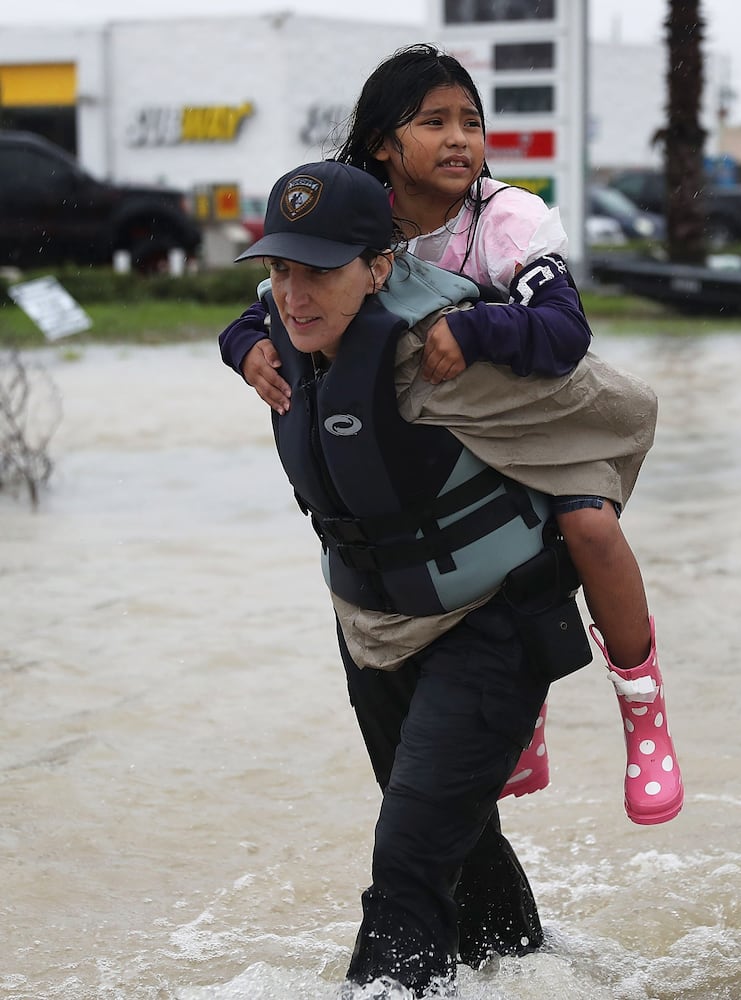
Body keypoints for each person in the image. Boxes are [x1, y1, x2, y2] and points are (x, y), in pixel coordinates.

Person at [219, 44, 683, 826]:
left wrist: (479, 332)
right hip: (438, 438)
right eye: (432, 122)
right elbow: (262, 305)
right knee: (453, 546)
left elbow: (565, 331)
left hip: (530, 418)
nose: (459, 138)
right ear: (380, 143)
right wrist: (244, 350)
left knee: (587, 528)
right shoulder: (352, 213)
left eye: (470, 120)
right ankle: (518, 722)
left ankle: (643, 711)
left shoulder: (505, 217)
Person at [233, 158, 590, 992]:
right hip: (375, 630)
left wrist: (485, 333)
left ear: (379, 266)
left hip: (493, 624)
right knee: (452, 832)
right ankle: (536, 974)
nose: (294, 293)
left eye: (318, 269)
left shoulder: (444, 339)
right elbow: (243, 323)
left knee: (405, 854)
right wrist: (241, 345)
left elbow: (608, 406)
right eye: (280, 269)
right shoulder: (284, 333)